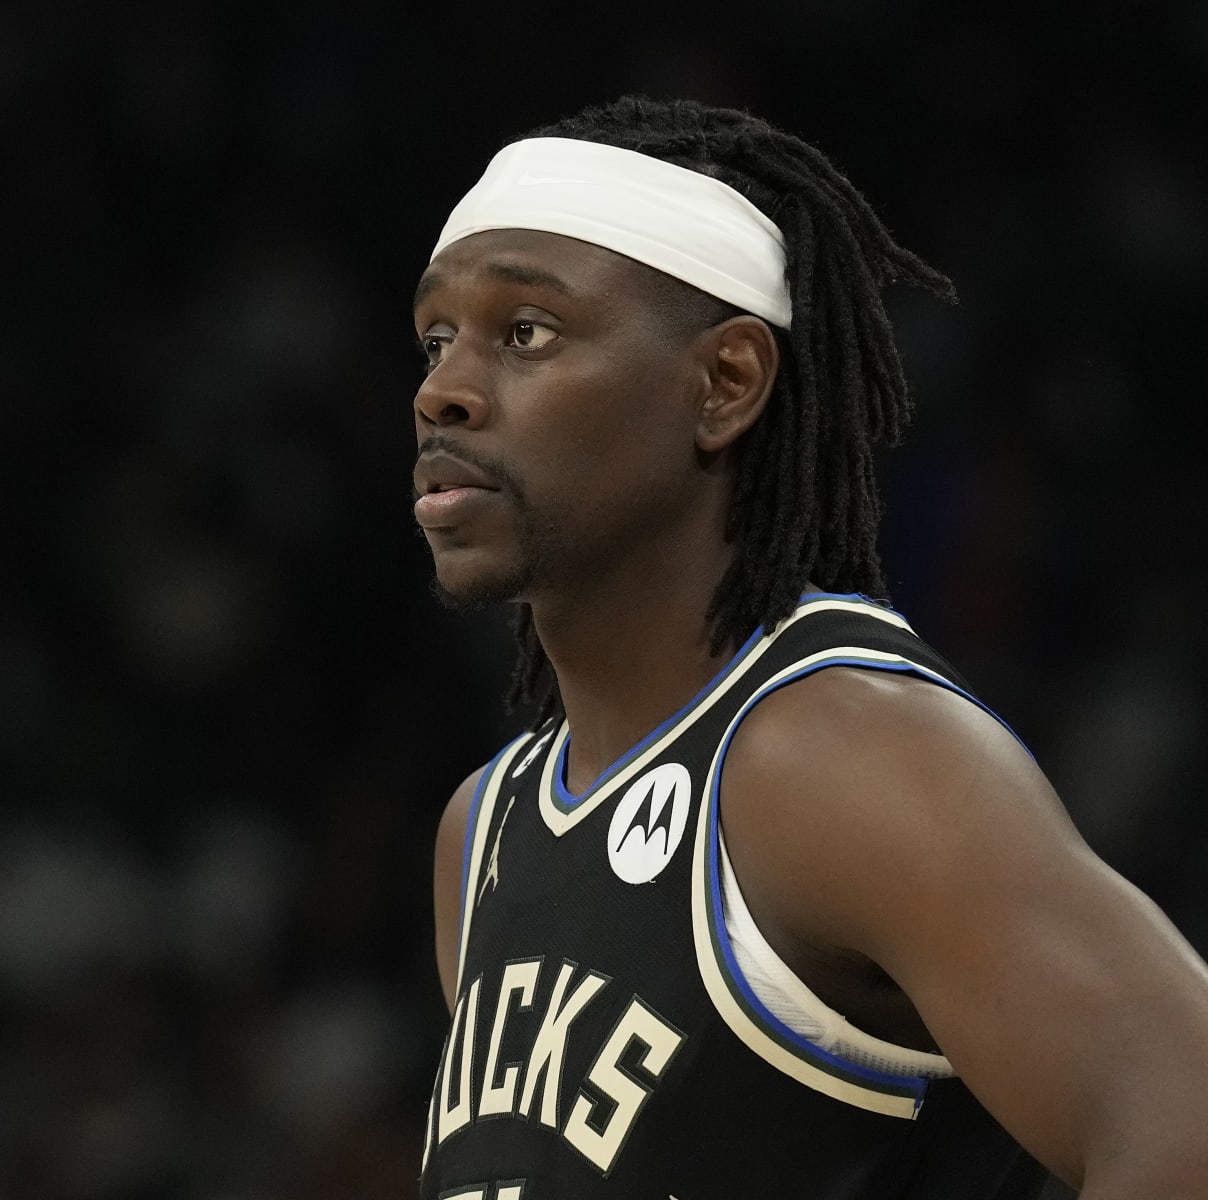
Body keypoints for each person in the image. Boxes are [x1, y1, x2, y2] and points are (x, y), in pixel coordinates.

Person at [411, 96, 1208, 1199]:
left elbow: (1182, 1108)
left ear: (726, 383)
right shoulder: (482, 828)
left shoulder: (835, 751)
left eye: (527, 333)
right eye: (438, 339)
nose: (441, 391)